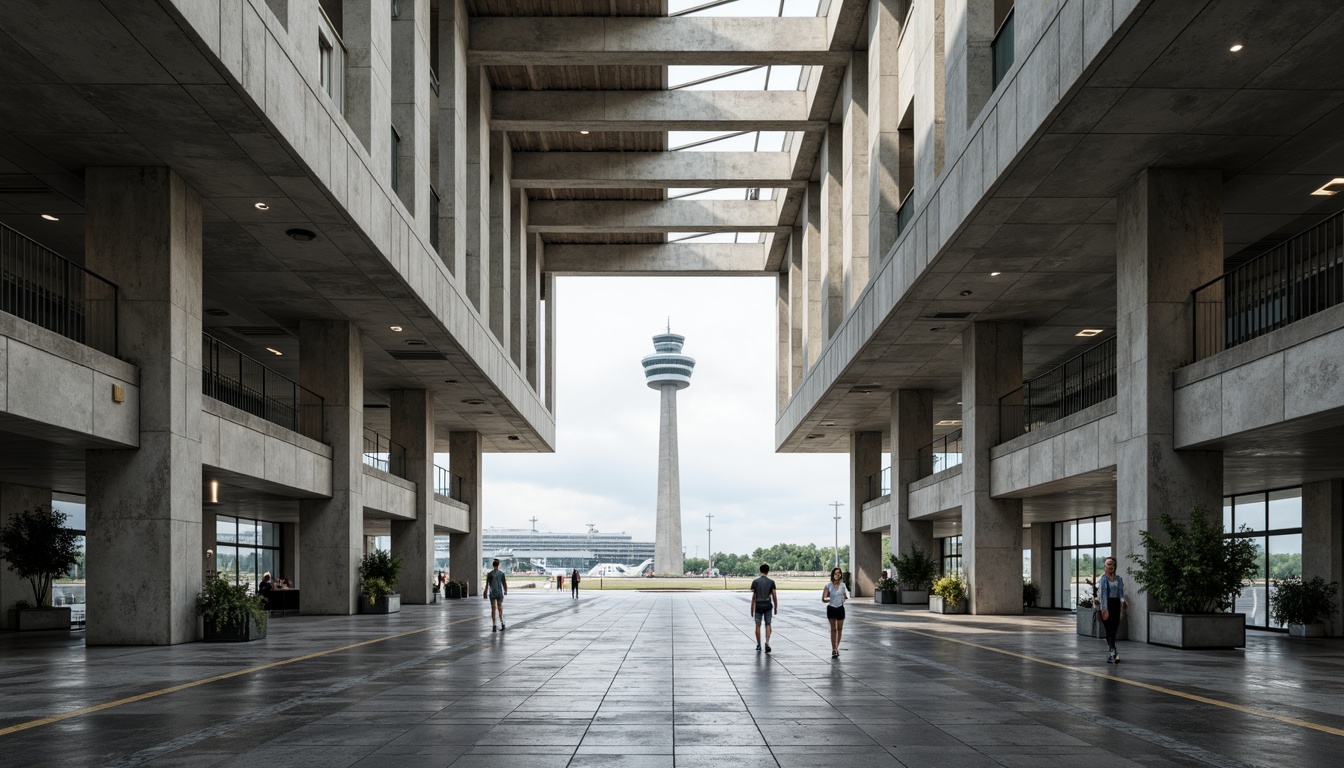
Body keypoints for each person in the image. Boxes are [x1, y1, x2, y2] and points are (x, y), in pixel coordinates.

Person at [1098, 556, 1127, 664]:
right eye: (1109, 564)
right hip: (1107, 605)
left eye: (1113, 564)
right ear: (1104, 566)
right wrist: (1104, 609)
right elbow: (1102, 595)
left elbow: (1121, 593)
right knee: (1109, 630)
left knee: (1114, 630)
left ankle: (1113, 652)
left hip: (1116, 605)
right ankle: (1113, 652)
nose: (1111, 566)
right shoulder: (1103, 580)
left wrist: (1123, 602)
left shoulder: (1118, 579)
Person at [750, 563, 778, 653]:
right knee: (768, 624)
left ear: (760, 570)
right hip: (768, 605)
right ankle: (767, 642)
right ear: (768, 571)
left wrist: (752, 608)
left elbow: (754, 596)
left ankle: (758, 644)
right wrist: (776, 607)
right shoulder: (771, 582)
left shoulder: (755, 582)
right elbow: (774, 595)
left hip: (758, 605)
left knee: (758, 624)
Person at [822, 567, 849, 659]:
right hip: (831, 608)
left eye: (839, 573)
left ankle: (837, 648)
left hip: (840, 608)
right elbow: (823, 598)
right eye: (836, 573)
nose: (837, 575)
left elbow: (844, 596)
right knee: (833, 629)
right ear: (833, 574)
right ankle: (833, 648)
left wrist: (844, 598)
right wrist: (829, 599)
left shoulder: (843, 585)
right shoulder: (828, 585)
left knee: (839, 629)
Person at [484, 559, 508, 632]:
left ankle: (495, 625)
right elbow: (504, 583)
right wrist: (505, 590)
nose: (495, 567)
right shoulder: (501, 574)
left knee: (494, 609)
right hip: (499, 593)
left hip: (493, 593)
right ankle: (502, 623)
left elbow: (487, 584)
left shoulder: (490, 574)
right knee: (499, 608)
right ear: (498, 565)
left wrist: (485, 591)